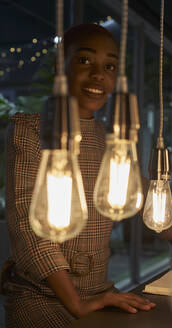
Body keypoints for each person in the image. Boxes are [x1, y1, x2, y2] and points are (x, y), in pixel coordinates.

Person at [3, 24, 159, 328]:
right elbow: (25, 225)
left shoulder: (112, 141)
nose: (99, 74)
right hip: (41, 297)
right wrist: (77, 304)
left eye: (110, 66)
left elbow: (141, 201)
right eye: (85, 61)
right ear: (61, 64)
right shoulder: (29, 130)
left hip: (100, 292)